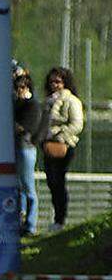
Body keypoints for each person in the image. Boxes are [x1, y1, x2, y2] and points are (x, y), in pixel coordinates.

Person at [39, 66, 84, 230]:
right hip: (48, 145)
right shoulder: (47, 102)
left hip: (64, 145)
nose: (54, 85)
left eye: (58, 82)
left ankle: (60, 218)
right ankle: (57, 217)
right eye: (51, 82)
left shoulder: (72, 101)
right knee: (52, 182)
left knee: (59, 181)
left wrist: (60, 134)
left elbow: (77, 124)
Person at [13, 73, 42, 235]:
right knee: (19, 186)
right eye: (16, 88)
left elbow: (26, 127)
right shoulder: (17, 104)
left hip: (26, 148)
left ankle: (31, 223)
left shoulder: (32, 105)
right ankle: (21, 219)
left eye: (22, 88)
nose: (19, 91)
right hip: (17, 147)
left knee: (28, 185)